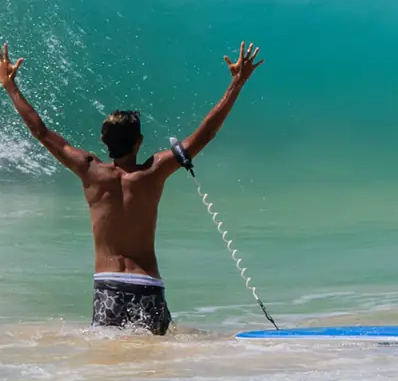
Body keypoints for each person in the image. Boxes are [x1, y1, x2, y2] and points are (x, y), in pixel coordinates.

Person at [0, 41, 263, 335]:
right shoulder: (153, 172)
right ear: (139, 142)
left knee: (111, 359)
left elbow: (40, 131)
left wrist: (10, 85)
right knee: (156, 358)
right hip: (146, 285)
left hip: (108, 285)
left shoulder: (90, 170)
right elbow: (207, 133)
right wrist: (236, 83)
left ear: (103, 141)